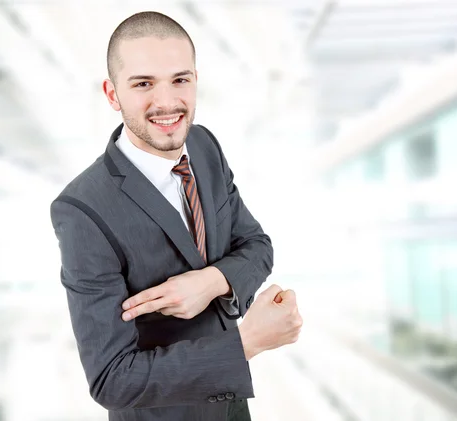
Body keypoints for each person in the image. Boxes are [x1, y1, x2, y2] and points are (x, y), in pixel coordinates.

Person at [50, 11, 302, 421]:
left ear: (196, 80)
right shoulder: (82, 209)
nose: (167, 102)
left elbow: (257, 246)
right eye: (144, 84)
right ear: (113, 95)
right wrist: (248, 342)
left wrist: (212, 281)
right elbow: (111, 380)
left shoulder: (203, 147)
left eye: (180, 79)